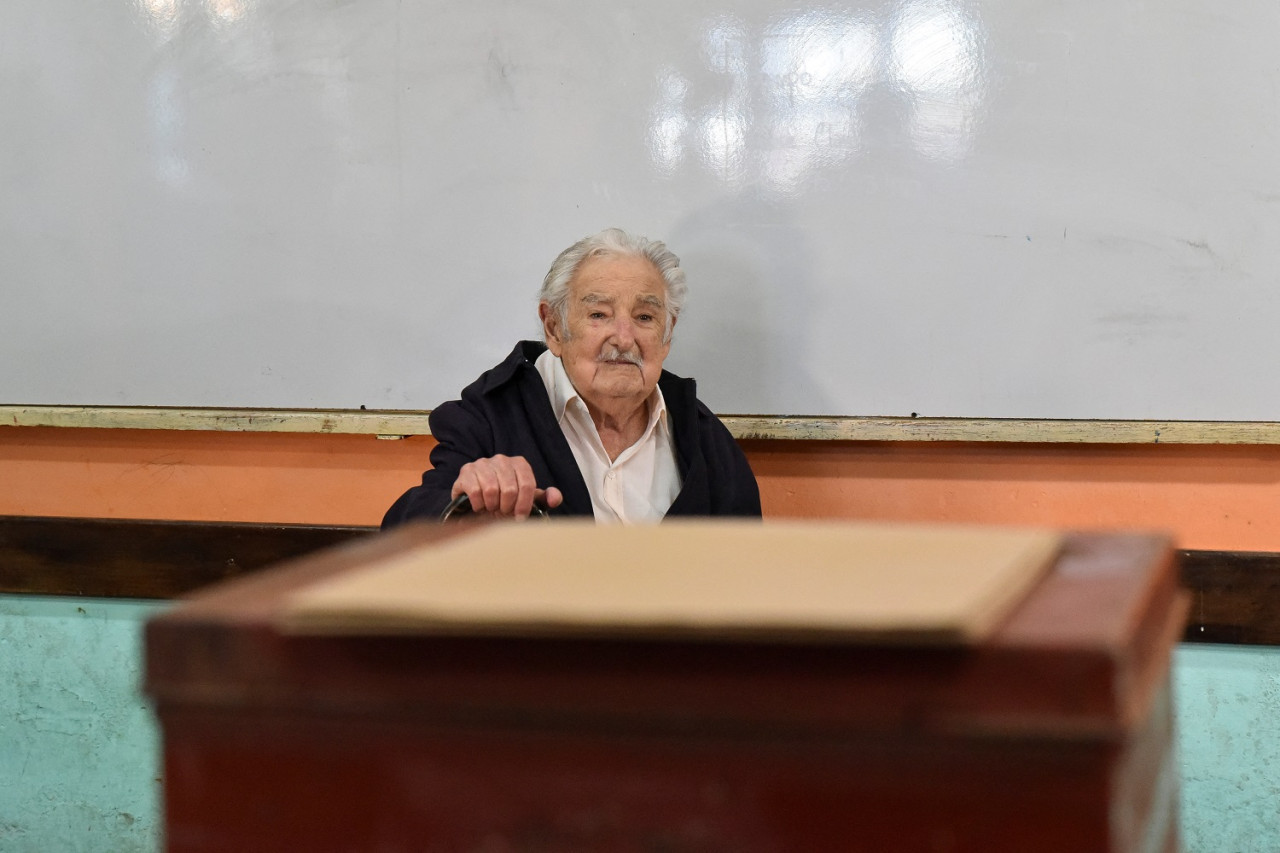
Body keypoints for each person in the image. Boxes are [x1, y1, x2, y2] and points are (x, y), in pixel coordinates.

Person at [381, 228, 761, 527]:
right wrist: (463, 507)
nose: (624, 338)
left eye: (645, 317)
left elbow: (750, 572)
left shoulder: (702, 436)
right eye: (599, 315)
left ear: (667, 334)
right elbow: (405, 533)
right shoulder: (489, 419)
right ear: (553, 328)